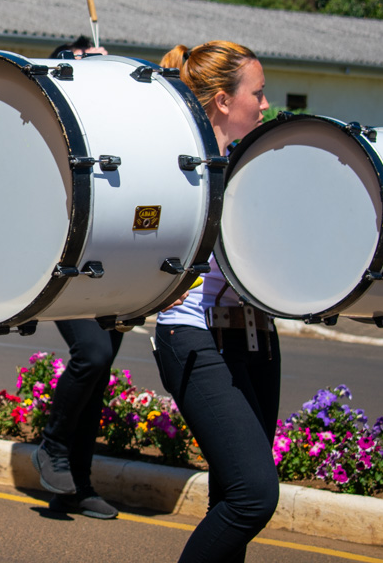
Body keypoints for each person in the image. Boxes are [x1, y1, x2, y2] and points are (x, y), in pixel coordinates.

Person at [153, 40, 276, 563]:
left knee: (231, 493)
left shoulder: (257, 164)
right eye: (259, 93)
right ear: (224, 100)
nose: (266, 105)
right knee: (253, 496)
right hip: (192, 332)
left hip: (253, 335)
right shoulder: (180, 167)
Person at [30, 39, 122, 520]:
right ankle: (53, 444)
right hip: (64, 260)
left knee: (99, 375)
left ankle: (75, 486)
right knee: (94, 353)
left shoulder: (109, 122)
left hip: (109, 261)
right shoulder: (52, 115)